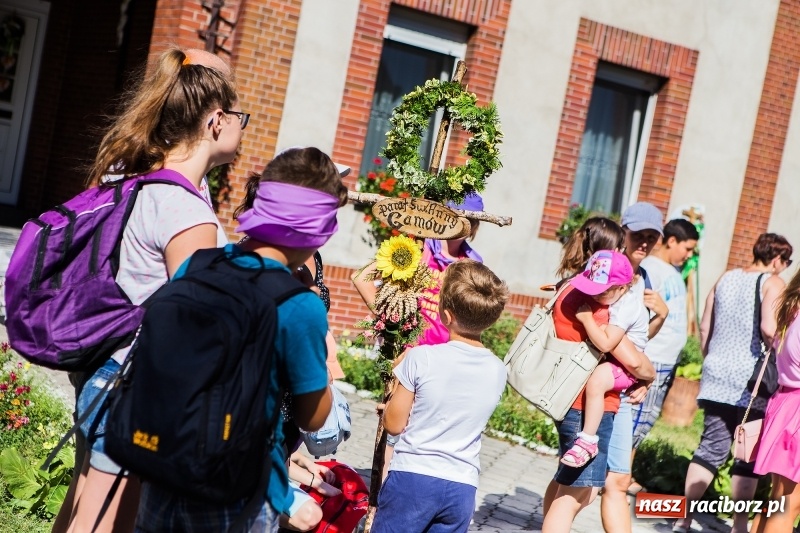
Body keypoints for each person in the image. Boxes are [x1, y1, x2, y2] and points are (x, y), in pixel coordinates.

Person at [54, 48, 243, 533]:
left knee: (84, 509)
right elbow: (192, 325)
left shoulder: (138, 178)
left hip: (109, 367)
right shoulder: (186, 209)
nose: (244, 125)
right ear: (216, 121)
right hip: (138, 385)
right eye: (239, 114)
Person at [134, 146, 347, 531]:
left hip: (165, 462)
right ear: (317, 231)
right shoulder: (300, 305)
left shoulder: (200, 263)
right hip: (235, 488)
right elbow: (313, 416)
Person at [371, 259, 509, 533]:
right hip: (462, 486)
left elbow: (394, 424)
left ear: (446, 315)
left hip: (414, 477)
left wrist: (389, 405)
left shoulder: (421, 358)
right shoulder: (497, 369)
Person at [673, 232, 792, 533]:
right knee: (745, 454)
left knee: (710, 446)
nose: (786, 267)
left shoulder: (725, 278)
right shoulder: (773, 283)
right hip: (751, 382)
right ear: (776, 258)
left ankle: (683, 518)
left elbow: (704, 325)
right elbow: (769, 327)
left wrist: (709, 358)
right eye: (786, 261)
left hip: (717, 373)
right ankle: (739, 526)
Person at [601, 201, 670, 533]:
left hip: (623, 388)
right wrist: (643, 370)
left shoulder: (645, 277)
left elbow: (638, 336)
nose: (644, 243)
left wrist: (660, 317)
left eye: (651, 237)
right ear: (622, 231)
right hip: (594, 386)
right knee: (578, 482)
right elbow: (605, 335)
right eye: (638, 234)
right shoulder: (605, 267)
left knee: (618, 478)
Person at [627, 218, 699, 494]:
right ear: (671, 241)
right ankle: (618, 474)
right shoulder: (652, 270)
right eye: (688, 248)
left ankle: (623, 471)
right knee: (636, 418)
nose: (689, 255)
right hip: (652, 357)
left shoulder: (673, 271)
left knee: (645, 420)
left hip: (666, 361)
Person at [558, 251, 639, 468]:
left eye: (601, 292)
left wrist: (586, 319)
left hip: (625, 368)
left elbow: (605, 344)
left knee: (597, 381)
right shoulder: (618, 297)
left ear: (621, 288)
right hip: (620, 362)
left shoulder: (627, 306)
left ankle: (587, 440)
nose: (593, 296)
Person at [752, 267, 800, 533]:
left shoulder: (793, 312)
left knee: (778, 501)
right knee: (788, 505)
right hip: (796, 412)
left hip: (786, 405)